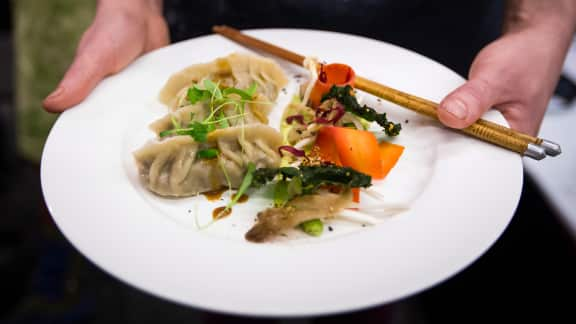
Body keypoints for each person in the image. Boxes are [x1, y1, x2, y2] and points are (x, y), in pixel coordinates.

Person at [41, 0, 576, 137]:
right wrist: (130, 7)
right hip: (227, 15)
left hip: (429, 25)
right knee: (222, 283)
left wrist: (543, 23)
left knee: (387, 265)